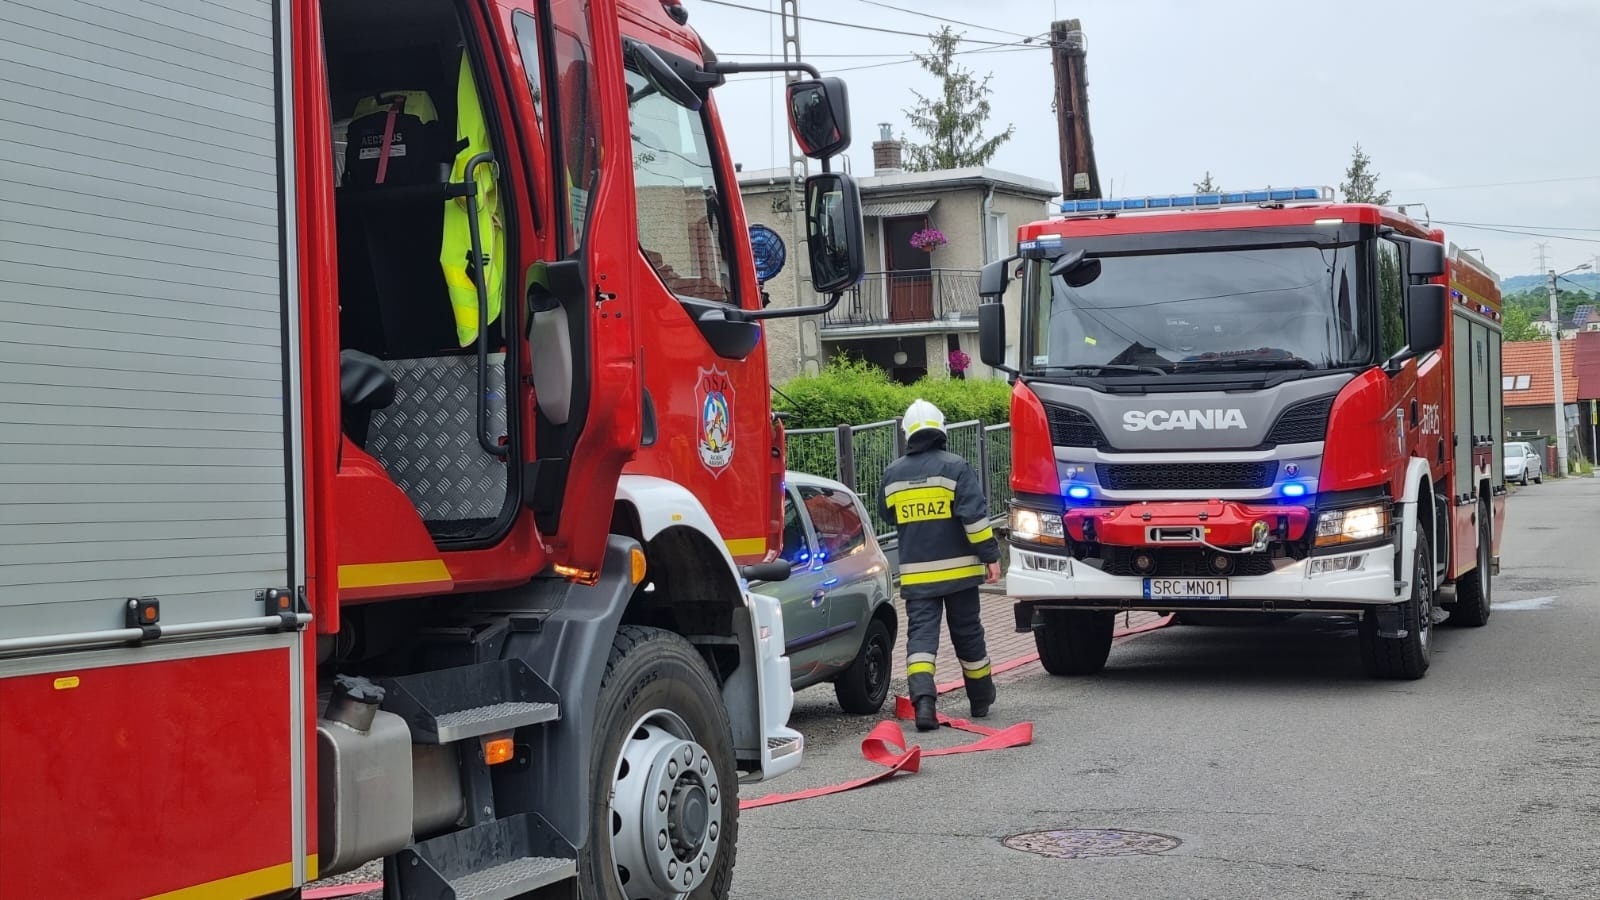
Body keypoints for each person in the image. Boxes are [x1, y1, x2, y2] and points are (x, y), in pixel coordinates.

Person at [881, 399, 1001, 732]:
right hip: (961, 574)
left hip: (918, 577)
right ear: (941, 429)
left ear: (907, 434)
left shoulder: (892, 473)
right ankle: (980, 699)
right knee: (968, 635)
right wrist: (991, 557)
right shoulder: (956, 467)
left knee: (920, 639)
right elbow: (975, 520)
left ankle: (923, 704)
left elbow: (887, 513)